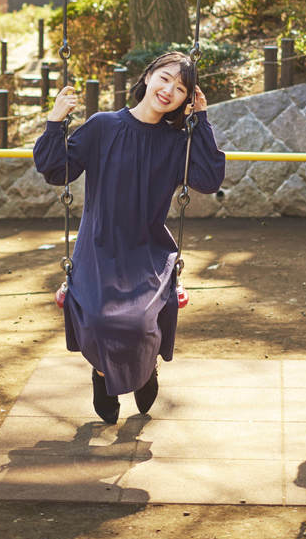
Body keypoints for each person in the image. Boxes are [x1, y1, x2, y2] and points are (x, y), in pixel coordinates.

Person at [33, 52, 225, 424]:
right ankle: (102, 373)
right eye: (165, 78)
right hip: (98, 247)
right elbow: (57, 170)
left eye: (181, 88)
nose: (169, 90)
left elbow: (208, 179)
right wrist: (55, 121)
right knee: (99, 321)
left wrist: (201, 121)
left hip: (147, 250)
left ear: (186, 99)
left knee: (139, 324)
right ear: (148, 76)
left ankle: (145, 367)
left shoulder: (177, 142)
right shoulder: (103, 126)